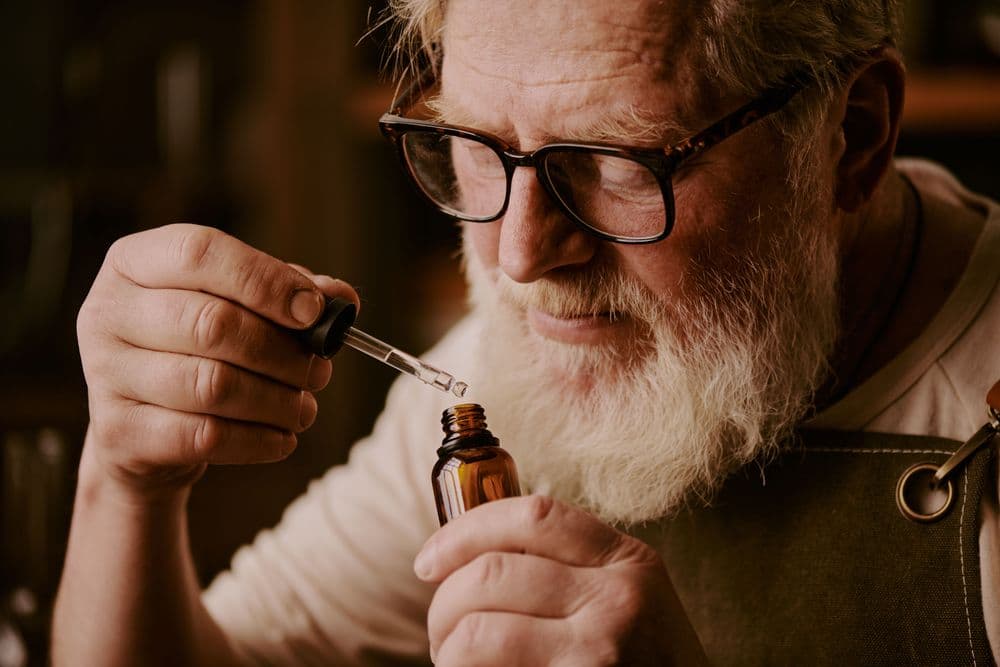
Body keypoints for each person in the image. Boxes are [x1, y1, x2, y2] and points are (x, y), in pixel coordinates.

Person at [51, 0, 1000, 664]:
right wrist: (127, 484)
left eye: (615, 162)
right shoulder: (510, 373)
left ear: (852, 139)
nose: (520, 257)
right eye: (477, 147)